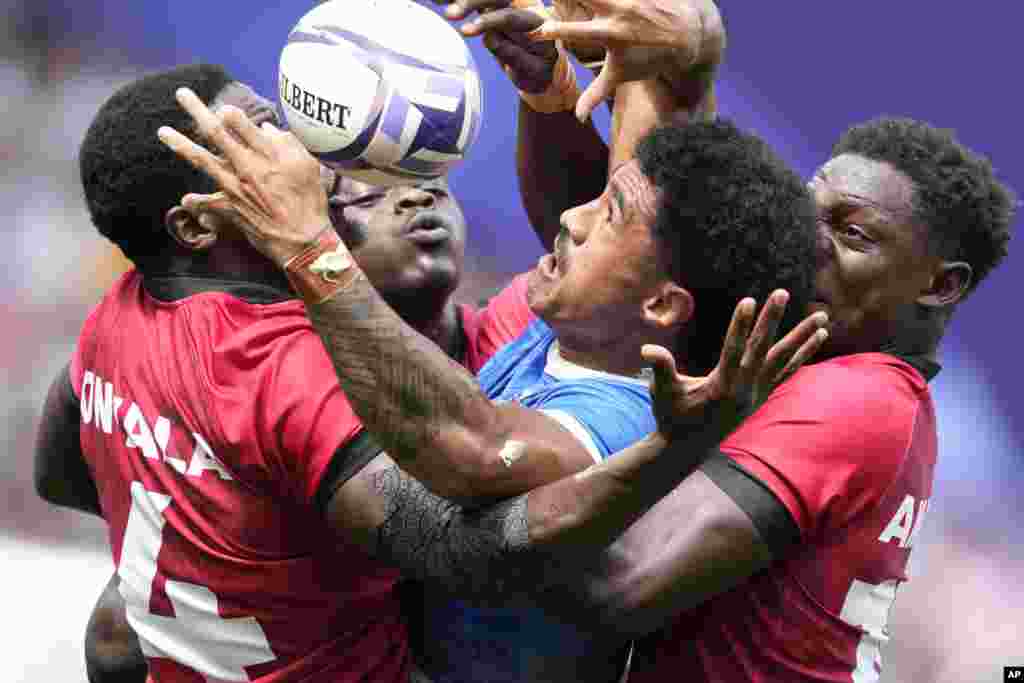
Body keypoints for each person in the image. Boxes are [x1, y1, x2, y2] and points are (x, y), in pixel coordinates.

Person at [37, 63, 823, 683]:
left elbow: (57, 467)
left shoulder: (123, 310)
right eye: (262, 134)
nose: (302, 150)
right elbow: (470, 539)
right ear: (193, 222)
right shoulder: (294, 366)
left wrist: (183, 544)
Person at [446, 0, 1019, 679]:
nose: (811, 241)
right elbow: (611, 259)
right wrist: (555, 97)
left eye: (853, 233)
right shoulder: (799, 342)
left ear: (939, 285)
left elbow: (618, 585)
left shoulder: (860, 398)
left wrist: (438, 476)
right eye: (812, 210)